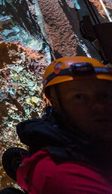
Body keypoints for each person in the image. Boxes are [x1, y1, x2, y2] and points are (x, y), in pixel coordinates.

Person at [9, 56, 112, 193]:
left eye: (103, 95)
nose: (98, 106)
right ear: (56, 102)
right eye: (79, 97)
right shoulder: (60, 174)